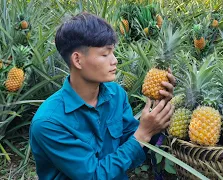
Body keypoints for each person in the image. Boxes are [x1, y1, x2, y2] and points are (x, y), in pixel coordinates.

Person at [29, 12, 175, 180]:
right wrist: (142, 134)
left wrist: (159, 106)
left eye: (113, 52)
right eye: (105, 54)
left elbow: (133, 145)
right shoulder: (49, 122)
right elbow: (92, 175)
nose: (114, 61)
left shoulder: (116, 95)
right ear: (77, 60)